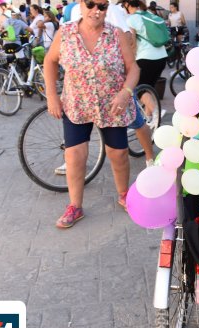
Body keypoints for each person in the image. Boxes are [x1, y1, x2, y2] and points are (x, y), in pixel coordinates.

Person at [44, 0, 140, 228]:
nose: (96, 10)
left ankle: (124, 194)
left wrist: (125, 93)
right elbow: (50, 60)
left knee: (119, 154)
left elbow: (133, 68)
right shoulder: (65, 32)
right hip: (77, 103)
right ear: (81, 4)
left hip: (112, 104)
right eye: (90, 4)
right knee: (75, 156)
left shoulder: (115, 34)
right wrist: (51, 95)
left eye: (102, 6)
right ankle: (75, 206)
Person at [122, 0, 168, 157]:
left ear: (128, 4)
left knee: (139, 89)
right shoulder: (150, 15)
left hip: (145, 58)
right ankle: (149, 120)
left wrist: (129, 59)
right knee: (149, 88)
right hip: (161, 57)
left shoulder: (131, 19)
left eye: (124, 5)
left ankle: (156, 114)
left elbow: (131, 41)